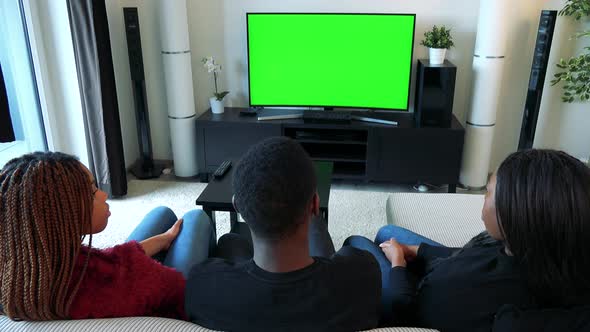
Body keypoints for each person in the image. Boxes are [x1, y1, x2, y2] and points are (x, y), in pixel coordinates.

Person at [345, 149, 590, 332]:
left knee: (357, 244)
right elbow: (465, 256)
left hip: (410, 299)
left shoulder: (498, 306)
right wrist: (419, 251)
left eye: (488, 192)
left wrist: (398, 263)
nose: (483, 198)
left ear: (514, 215)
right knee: (388, 233)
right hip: (445, 270)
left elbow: (405, 308)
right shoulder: (535, 249)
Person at [184, 137, 381, 331]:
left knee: (230, 240)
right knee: (328, 234)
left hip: (244, 289)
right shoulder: (363, 276)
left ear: (237, 206)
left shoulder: (202, 285)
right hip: (324, 286)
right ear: (314, 205)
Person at [0, 152, 215, 321]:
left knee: (162, 214)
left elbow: (106, 259)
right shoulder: (114, 280)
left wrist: (162, 239)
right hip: (168, 301)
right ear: (65, 214)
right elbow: (179, 291)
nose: (103, 195)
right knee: (196, 219)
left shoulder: (20, 271)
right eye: (93, 192)